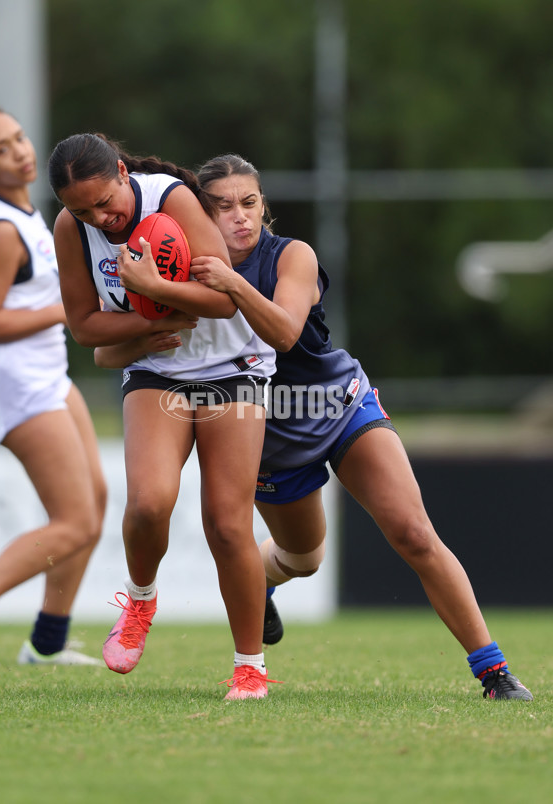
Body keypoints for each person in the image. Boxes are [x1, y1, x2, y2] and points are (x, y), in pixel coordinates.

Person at [185, 153, 531, 702]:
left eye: (249, 203)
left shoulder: (291, 256)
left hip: (339, 405)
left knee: (414, 533)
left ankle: (494, 672)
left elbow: (283, 332)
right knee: (303, 558)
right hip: (269, 436)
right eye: (222, 207)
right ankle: (264, 583)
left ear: (264, 205)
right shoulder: (182, 266)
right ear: (198, 215)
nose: (240, 217)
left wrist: (229, 282)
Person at [48, 133, 279, 699]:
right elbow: (84, 328)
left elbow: (224, 299)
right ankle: (140, 601)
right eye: (83, 210)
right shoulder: (70, 229)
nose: (100, 218)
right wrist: (150, 324)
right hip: (159, 368)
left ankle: (250, 668)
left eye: (105, 202)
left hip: (232, 365)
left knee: (228, 525)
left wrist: (150, 288)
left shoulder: (170, 199)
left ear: (123, 173)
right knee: (149, 503)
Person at [0, 108, 107, 667]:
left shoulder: (23, 210)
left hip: (45, 373)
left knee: (96, 500)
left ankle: (46, 643)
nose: (19, 150)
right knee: (75, 521)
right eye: (1, 148)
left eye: (17, 137)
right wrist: (62, 310)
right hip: (13, 380)